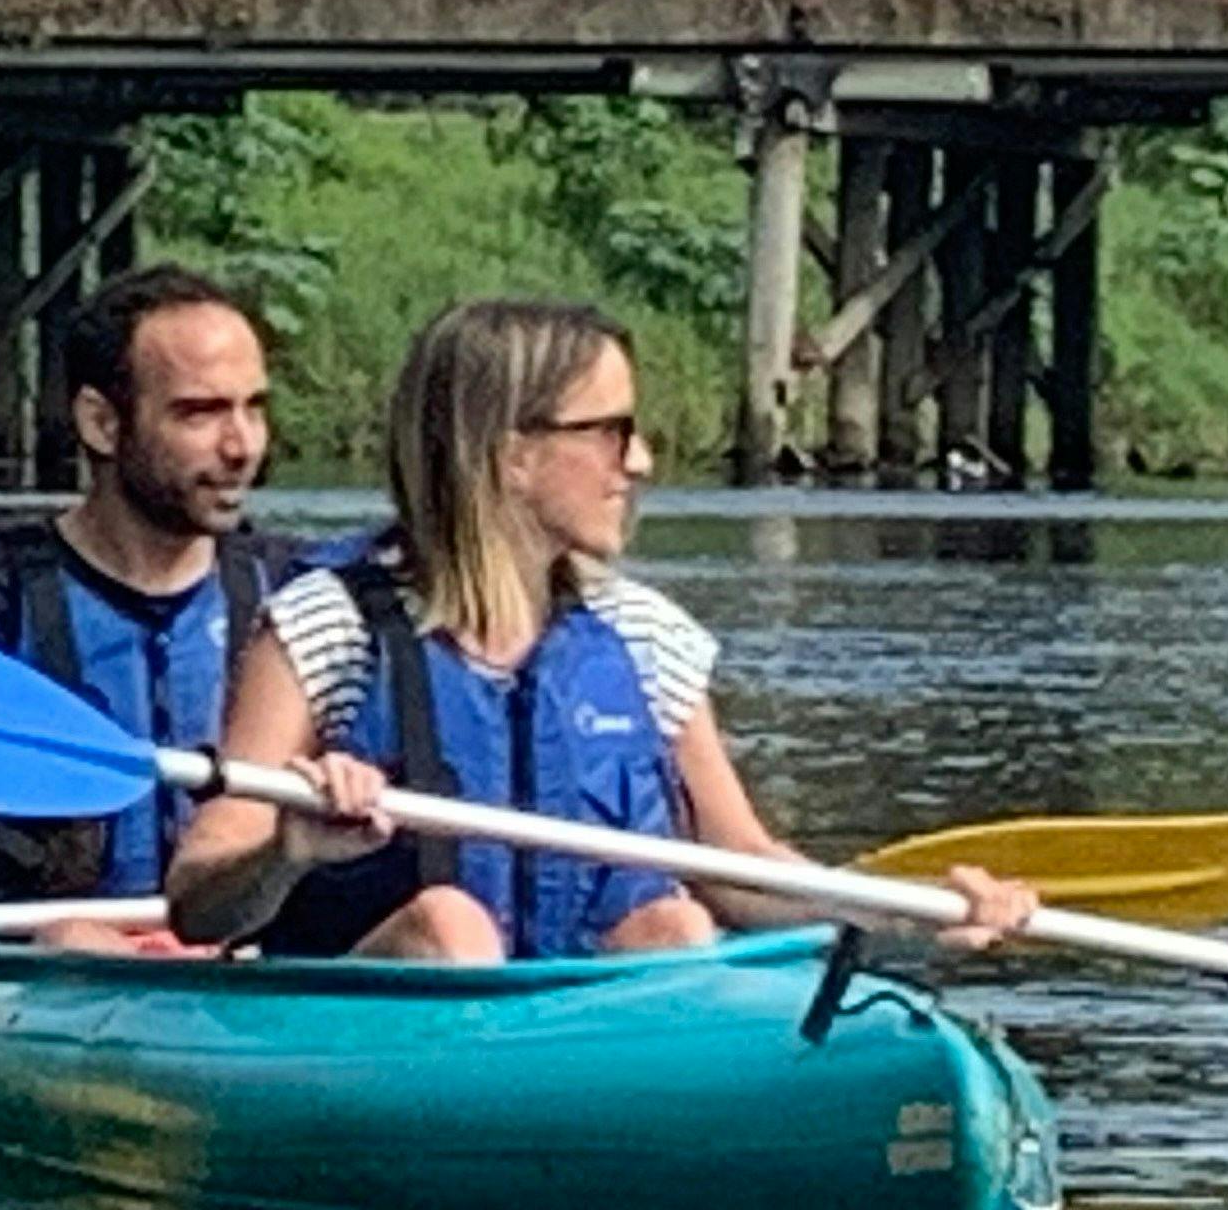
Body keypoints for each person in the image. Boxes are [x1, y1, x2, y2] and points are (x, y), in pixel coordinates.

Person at [166, 297, 1034, 963]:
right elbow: (198, 905)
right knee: (451, 925)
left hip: (583, 1036)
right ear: (509, 456)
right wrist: (287, 851)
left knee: (675, 923)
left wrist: (911, 911)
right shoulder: (329, 631)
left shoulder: (646, 639)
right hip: (380, 1030)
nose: (643, 463)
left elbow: (744, 867)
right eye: (612, 434)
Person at [0, 268, 287, 953]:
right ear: (101, 422)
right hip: (51, 966)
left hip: (242, 957)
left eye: (254, 407)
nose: (242, 446)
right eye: (200, 413)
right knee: (75, 936)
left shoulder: (294, 591)